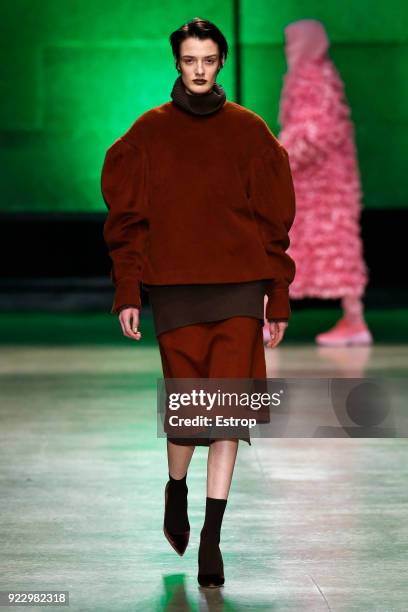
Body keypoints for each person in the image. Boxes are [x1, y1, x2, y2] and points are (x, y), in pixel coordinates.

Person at [101, 17, 296, 588]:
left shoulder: (250, 133)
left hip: (239, 286)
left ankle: (212, 536)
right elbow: (127, 220)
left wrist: (276, 297)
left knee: (227, 412)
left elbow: (273, 221)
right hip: (176, 287)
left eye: (209, 59)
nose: (201, 69)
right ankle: (176, 489)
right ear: (177, 63)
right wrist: (128, 289)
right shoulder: (148, 134)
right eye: (191, 59)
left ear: (222, 62)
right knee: (189, 416)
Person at [263, 19, 372, 347]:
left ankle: (269, 320)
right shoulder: (322, 77)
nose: (287, 49)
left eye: (290, 42)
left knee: (285, 244)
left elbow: (317, 132)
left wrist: (282, 151)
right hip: (325, 184)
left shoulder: (310, 78)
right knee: (330, 249)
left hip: (317, 185)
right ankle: (352, 321)